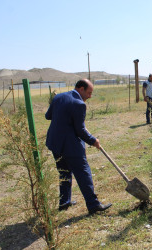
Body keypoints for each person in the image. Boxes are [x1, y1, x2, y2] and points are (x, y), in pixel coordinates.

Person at [45, 79, 112, 215]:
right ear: (81, 89)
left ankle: (64, 202)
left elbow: (48, 116)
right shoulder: (79, 104)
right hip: (70, 145)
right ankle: (93, 204)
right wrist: (93, 140)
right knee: (83, 172)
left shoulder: (58, 97)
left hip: (55, 143)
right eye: (89, 92)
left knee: (64, 172)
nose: (90, 96)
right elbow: (80, 130)